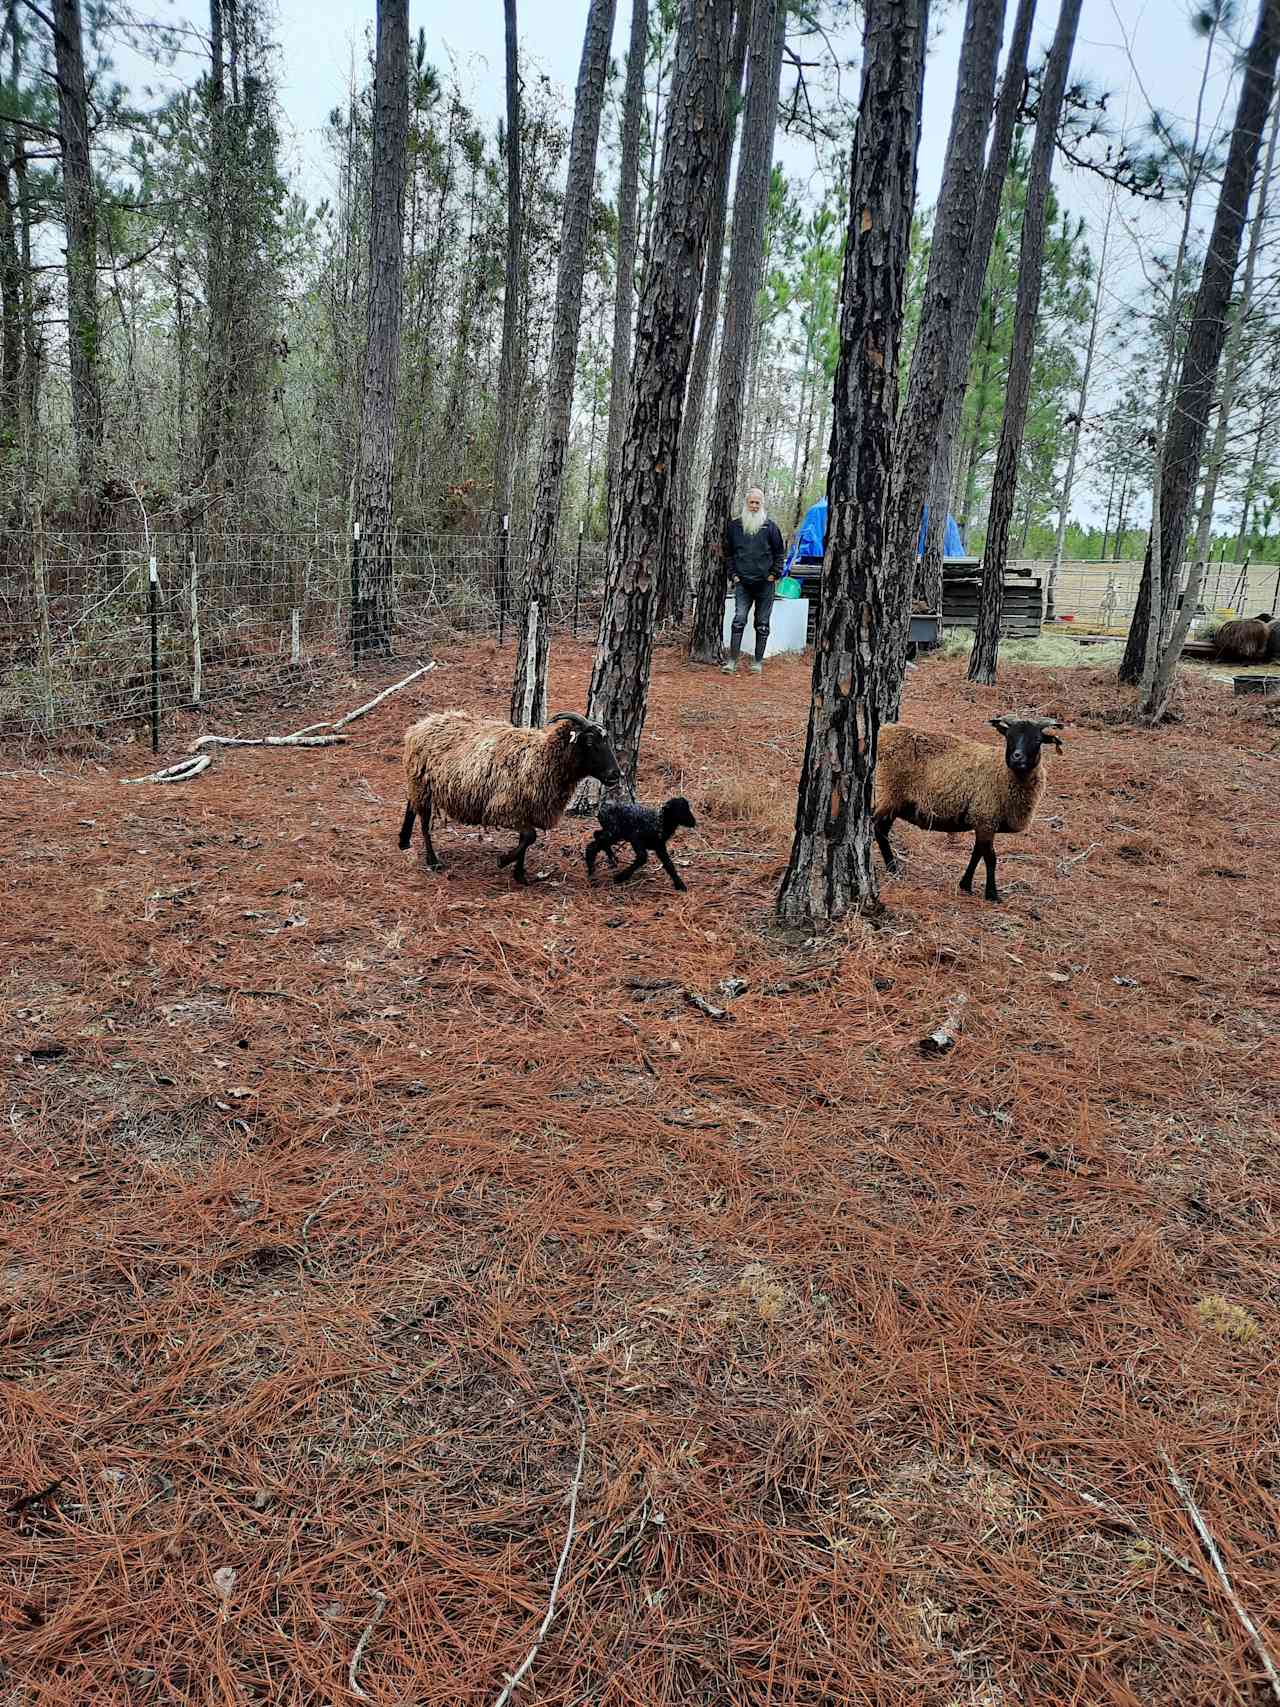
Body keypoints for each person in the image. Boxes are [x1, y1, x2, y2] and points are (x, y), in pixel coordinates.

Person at [722, 486, 785, 675]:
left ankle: (757, 662)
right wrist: (733, 575)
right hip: (743, 583)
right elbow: (729, 554)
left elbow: (779, 553)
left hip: (765, 584)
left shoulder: (771, 527)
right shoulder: (734, 527)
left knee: (762, 623)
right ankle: (731, 661)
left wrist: (774, 574)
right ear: (746, 503)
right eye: (752, 502)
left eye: (758, 502)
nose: (754, 506)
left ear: (762, 504)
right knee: (738, 620)